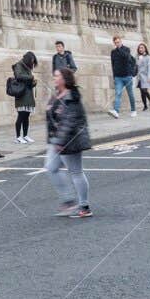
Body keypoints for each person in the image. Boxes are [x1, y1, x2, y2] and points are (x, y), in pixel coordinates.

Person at [45, 66, 92, 218]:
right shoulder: (57, 95)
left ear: (64, 79)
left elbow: (69, 120)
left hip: (71, 140)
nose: (54, 78)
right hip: (57, 139)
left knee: (76, 172)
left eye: (57, 76)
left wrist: (60, 140)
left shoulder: (72, 96)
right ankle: (69, 200)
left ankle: (84, 206)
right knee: (51, 167)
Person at [9, 52, 37, 144]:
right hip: (21, 95)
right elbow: (18, 76)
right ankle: (18, 137)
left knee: (26, 116)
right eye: (32, 61)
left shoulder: (28, 67)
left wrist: (34, 82)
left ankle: (25, 135)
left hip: (28, 95)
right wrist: (31, 77)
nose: (32, 63)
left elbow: (29, 82)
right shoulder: (19, 65)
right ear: (28, 59)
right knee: (21, 116)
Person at [108, 35, 137, 118]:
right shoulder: (113, 52)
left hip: (127, 76)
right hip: (118, 77)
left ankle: (133, 110)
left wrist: (120, 49)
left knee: (130, 94)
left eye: (118, 42)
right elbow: (113, 64)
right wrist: (114, 76)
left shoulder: (126, 49)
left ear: (121, 41)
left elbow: (126, 57)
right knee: (118, 93)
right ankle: (116, 111)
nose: (117, 44)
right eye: (115, 43)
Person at [136, 43, 150, 112]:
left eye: (142, 48)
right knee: (141, 92)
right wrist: (139, 59)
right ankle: (145, 106)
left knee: (145, 90)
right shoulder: (138, 56)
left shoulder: (148, 57)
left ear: (145, 49)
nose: (140, 49)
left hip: (145, 76)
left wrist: (149, 76)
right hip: (139, 77)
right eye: (139, 48)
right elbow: (136, 65)